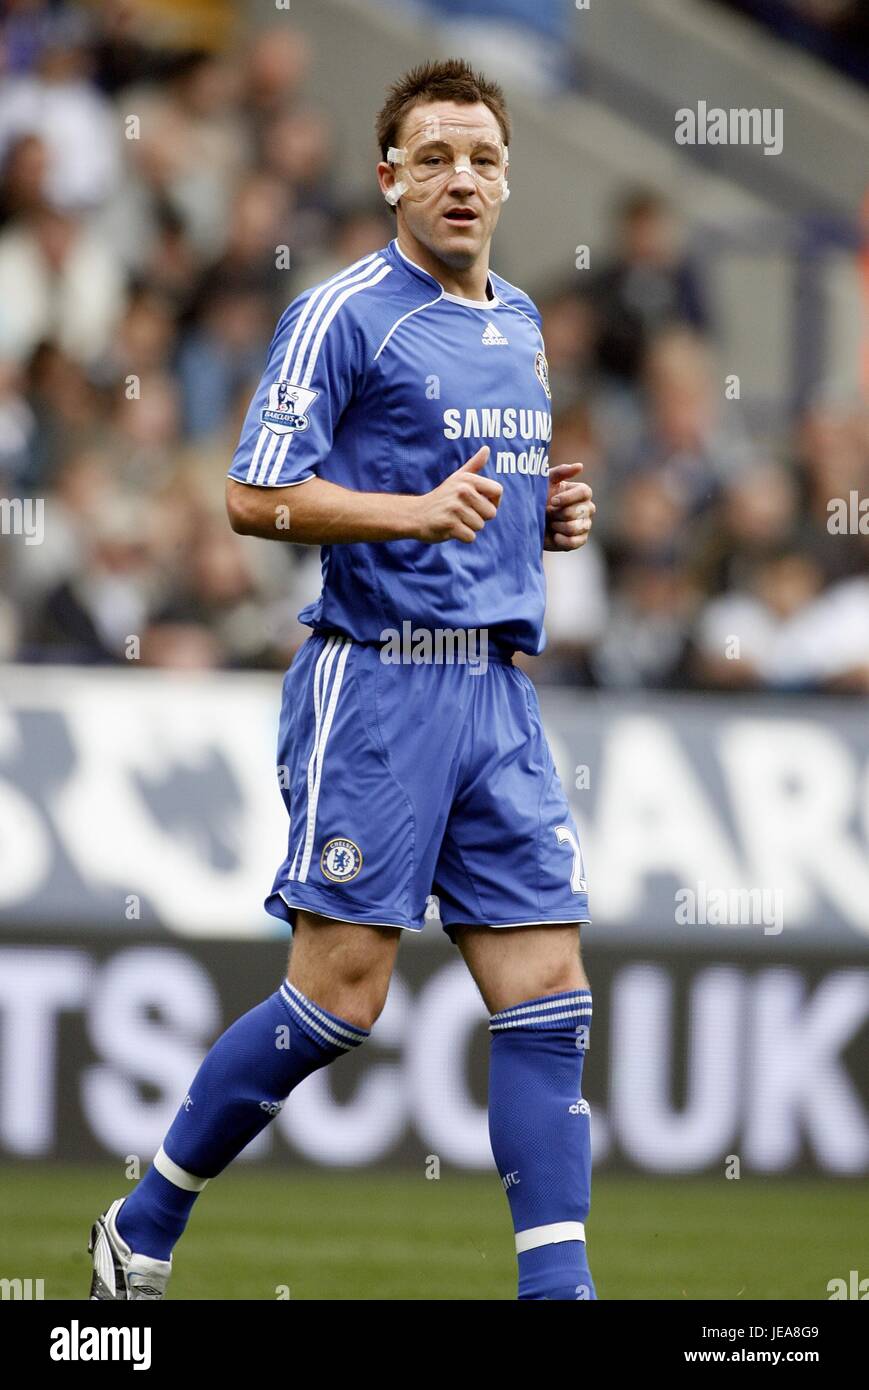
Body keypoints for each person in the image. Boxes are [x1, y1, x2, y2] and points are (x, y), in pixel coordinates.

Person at [88, 58, 598, 1303]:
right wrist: (412, 516)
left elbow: (471, 498)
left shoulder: (519, 320)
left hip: (498, 693)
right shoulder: (341, 312)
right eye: (432, 159)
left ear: (507, 176)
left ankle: (557, 1292)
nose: (460, 179)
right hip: (377, 688)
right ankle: (144, 1220)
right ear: (387, 180)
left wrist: (544, 517)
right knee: (338, 1001)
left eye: (480, 157)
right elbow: (255, 494)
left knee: (547, 998)